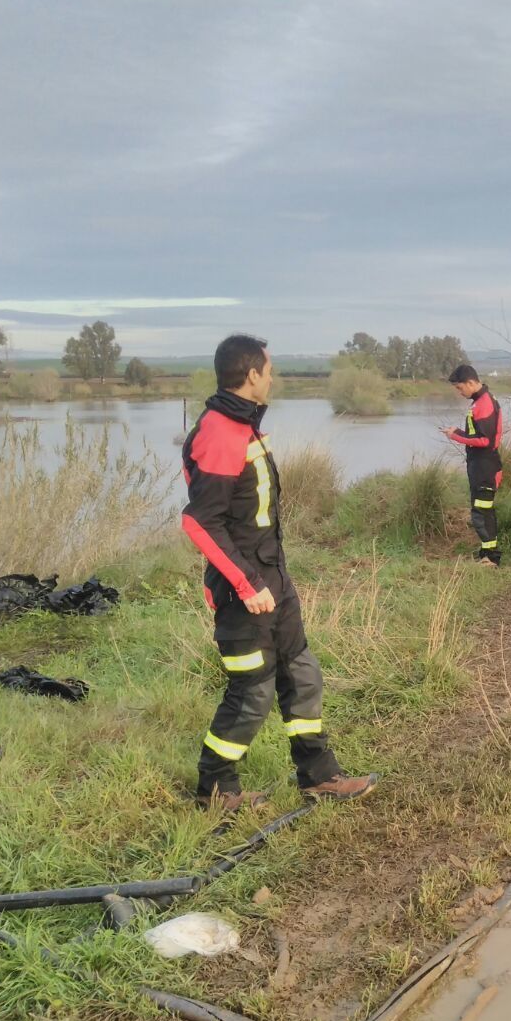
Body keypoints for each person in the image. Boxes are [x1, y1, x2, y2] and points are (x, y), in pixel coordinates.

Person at [180, 334, 377, 812]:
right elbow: (199, 521)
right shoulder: (220, 432)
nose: (272, 378)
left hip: (275, 580)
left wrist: (272, 581)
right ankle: (215, 789)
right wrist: (246, 586)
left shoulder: (243, 426)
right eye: (269, 371)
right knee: (253, 692)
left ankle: (318, 775)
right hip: (242, 592)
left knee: (302, 674)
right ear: (251, 375)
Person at [440, 363, 503, 566]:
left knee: (481, 512)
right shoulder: (479, 401)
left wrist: (456, 437)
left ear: (471, 382)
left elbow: (486, 440)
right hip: (480, 465)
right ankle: (487, 552)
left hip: (486, 466)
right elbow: (476, 435)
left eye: (460, 388)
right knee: (483, 511)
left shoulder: (484, 403)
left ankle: (491, 557)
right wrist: (458, 431)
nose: (459, 393)